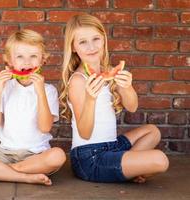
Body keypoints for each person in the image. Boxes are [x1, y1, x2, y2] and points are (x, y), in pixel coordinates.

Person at [59, 14, 169, 183]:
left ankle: (128, 167)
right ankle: (130, 168)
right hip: (89, 158)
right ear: (73, 47)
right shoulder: (78, 81)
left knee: (152, 131)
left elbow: (132, 107)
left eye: (96, 38)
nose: (91, 47)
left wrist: (127, 86)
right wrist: (90, 99)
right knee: (160, 160)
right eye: (82, 42)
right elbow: (85, 133)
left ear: (104, 39)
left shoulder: (109, 70)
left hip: (112, 146)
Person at [0, 29, 66, 186]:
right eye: (20, 57)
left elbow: (45, 128)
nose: (27, 62)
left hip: (37, 154)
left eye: (33, 56)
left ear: (42, 60)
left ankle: (1, 172)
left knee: (58, 156)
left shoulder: (48, 90)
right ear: (9, 61)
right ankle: (26, 177)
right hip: (5, 151)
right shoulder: (4, 88)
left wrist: (40, 92)